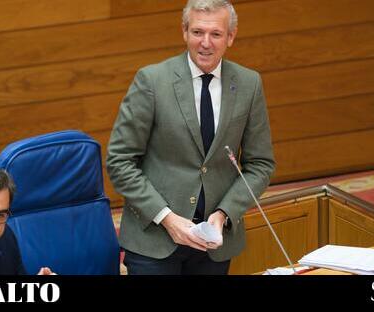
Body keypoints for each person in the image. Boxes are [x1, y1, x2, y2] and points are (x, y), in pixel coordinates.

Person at [106, 0, 275, 274]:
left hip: (214, 245)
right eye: (197, 32)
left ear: (230, 37)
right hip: (155, 240)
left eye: (216, 34)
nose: (205, 43)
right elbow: (119, 161)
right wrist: (168, 219)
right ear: (184, 32)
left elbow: (261, 164)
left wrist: (224, 214)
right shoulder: (152, 81)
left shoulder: (249, 84)